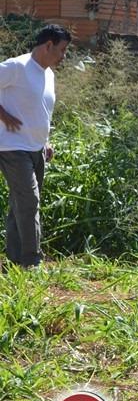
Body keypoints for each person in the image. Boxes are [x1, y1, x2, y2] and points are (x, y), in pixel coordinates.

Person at [0, 24, 70, 268]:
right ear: (48, 45)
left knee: (20, 203)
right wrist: (3, 115)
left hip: (36, 149)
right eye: (61, 50)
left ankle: (14, 258)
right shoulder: (17, 66)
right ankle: (32, 262)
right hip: (12, 147)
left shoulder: (48, 74)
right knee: (29, 200)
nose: (63, 56)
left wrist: (46, 141)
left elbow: (41, 111)